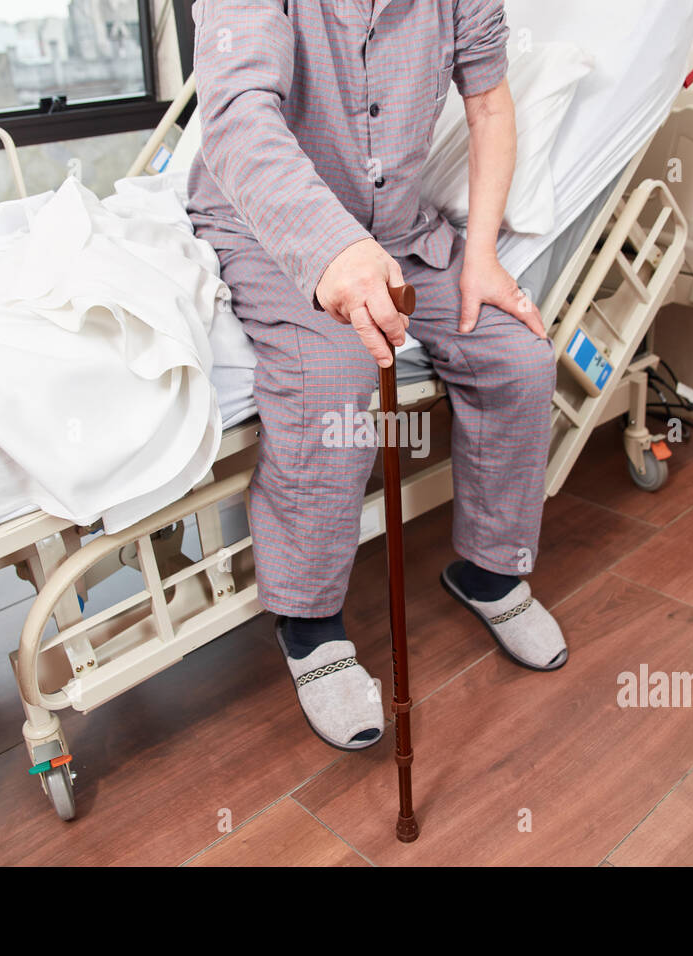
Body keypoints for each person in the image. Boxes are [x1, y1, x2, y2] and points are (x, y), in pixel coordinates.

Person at [187, 0, 566, 750]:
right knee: (336, 377)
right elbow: (237, 116)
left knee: (519, 359)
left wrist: (482, 256)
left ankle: (490, 572)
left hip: (398, 230)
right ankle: (310, 624)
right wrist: (330, 249)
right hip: (271, 227)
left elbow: (489, 106)